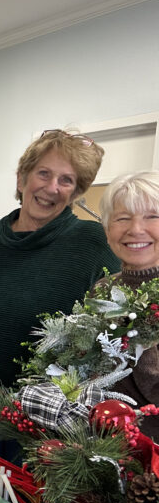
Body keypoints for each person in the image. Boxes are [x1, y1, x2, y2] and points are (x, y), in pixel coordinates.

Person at [0, 129, 118, 502]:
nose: (52, 187)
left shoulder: (92, 243)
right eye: (44, 174)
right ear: (22, 178)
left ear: (77, 192)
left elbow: (120, 320)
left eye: (67, 180)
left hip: (51, 421)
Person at [97, 172, 159, 438]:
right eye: (122, 218)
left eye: (152, 217)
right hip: (109, 445)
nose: (135, 229)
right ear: (108, 229)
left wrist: (137, 338)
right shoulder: (103, 289)